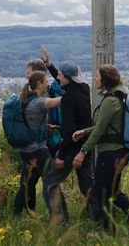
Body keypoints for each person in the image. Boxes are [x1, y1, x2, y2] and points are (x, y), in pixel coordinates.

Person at [73, 64, 129, 234]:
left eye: (96, 75)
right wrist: (84, 132)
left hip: (111, 153)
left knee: (101, 193)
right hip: (119, 151)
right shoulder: (118, 97)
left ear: (105, 78)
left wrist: (83, 151)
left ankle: (109, 231)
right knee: (112, 191)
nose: (94, 78)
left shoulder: (111, 100)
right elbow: (104, 127)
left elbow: (99, 130)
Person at [40, 55, 99, 225]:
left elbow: (69, 130)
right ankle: (101, 218)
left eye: (59, 75)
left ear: (67, 76)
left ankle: (60, 222)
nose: (57, 78)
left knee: (50, 183)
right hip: (84, 148)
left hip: (71, 150)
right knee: (88, 186)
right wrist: (50, 66)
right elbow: (65, 80)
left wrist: (61, 155)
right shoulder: (84, 88)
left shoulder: (68, 98)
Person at [13, 71, 62, 216]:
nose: (48, 84)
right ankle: (58, 217)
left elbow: (32, 124)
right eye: (46, 81)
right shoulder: (39, 101)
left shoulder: (28, 101)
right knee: (52, 182)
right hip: (39, 150)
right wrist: (75, 92)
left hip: (26, 150)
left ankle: (17, 214)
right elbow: (58, 102)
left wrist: (45, 128)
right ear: (39, 84)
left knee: (26, 185)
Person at [26, 58, 63, 159]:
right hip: (41, 145)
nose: (26, 75)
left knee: (33, 174)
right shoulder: (41, 98)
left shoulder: (39, 96)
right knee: (49, 173)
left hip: (39, 145)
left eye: (28, 73)